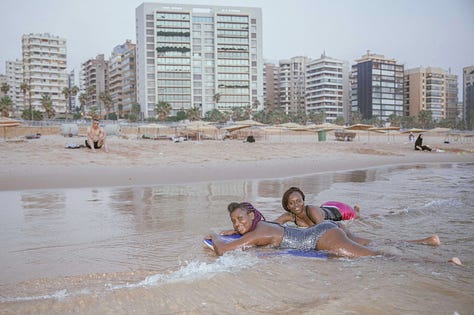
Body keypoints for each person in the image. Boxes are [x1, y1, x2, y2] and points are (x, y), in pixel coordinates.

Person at [206, 202, 462, 265]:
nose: (238, 224)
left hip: (322, 238)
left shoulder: (255, 231)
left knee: (375, 256)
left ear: (252, 216)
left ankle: (444, 265)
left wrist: (216, 235)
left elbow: (223, 250)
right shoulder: (261, 227)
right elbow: (249, 239)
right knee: (376, 243)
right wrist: (236, 232)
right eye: (234, 221)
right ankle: (427, 242)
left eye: (241, 219)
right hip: (326, 231)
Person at [274, 187, 440, 246]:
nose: (296, 205)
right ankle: (358, 209)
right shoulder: (289, 216)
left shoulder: (311, 210)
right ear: (287, 206)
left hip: (339, 211)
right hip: (328, 206)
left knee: (365, 220)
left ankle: (361, 211)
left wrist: (349, 237)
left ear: (304, 200)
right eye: (291, 203)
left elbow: (326, 229)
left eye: (298, 201)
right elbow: (270, 225)